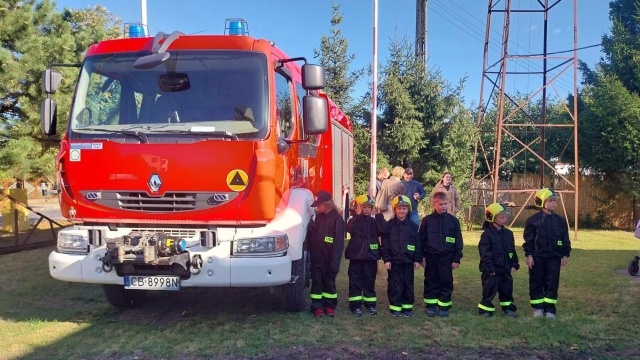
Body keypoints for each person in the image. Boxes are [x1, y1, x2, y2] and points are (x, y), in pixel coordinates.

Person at [523, 188, 571, 319]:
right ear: (541, 202)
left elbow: (565, 238)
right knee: (536, 282)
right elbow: (529, 240)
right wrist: (529, 255)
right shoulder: (533, 220)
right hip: (538, 258)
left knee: (552, 283)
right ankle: (538, 308)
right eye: (550, 201)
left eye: (555, 201)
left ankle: (550, 309)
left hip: (554, 258)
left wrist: (565, 254)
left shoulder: (560, 220)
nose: (554, 203)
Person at [419, 191, 464, 317]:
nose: (444, 206)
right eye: (441, 204)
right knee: (430, 280)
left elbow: (458, 241)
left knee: (446, 281)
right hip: (431, 256)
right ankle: (431, 305)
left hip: (447, 257)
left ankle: (444, 306)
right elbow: (421, 240)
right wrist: (421, 256)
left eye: (446, 204)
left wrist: (456, 258)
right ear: (434, 204)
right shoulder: (427, 220)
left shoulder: (453, 221)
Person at [380, 195, 421, 317]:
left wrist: (417, 259)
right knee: (395, 284)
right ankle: (395, 307)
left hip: (409, 261)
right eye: (399, 208)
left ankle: (407, 307)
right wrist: (386, 259)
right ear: (394, 209)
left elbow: (418, 243)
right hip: (394, 262)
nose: (402, 211)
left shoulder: (413, 226)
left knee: (408, 284)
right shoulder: (389, 225)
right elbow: (385, 244)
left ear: (408, 210)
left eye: (404, 208)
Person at [345, 194, 386, 316]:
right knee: (355, 281)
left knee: (369, 281)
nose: (367, 209)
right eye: (364, 207)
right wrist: (357, 215)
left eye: (369, 207)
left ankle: (370, 305)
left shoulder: (374, 222)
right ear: (358, 207)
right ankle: (355, 306)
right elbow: (350, 229)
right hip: (356, 257)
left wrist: (379, 216)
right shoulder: (353, 221)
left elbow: (383, 230)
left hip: (370, 257)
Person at [477, 203, 519, 318]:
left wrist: (514, 263)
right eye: (502, 217)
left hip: (505, 269)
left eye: (505, 217)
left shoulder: (508, 234)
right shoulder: (487, 235)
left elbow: (512, 250)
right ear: (492, 218)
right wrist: (490, 268)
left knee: (507, 290)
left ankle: (507, 309)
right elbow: (485, 253)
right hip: (492, 270)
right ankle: (486, 309)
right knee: (489, 290)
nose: (505, 219)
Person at [307, 190, 345, 318]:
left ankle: (329, 306)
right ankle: (317, 307)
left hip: (329, 260)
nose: (317, 208)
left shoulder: (337, 220)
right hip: (317, 258)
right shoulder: (319, 217)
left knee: (329, 283)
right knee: (317, 283)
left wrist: (334, 264)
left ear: (327, 204)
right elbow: (315, 239)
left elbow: (338, 244)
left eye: (319, 205)